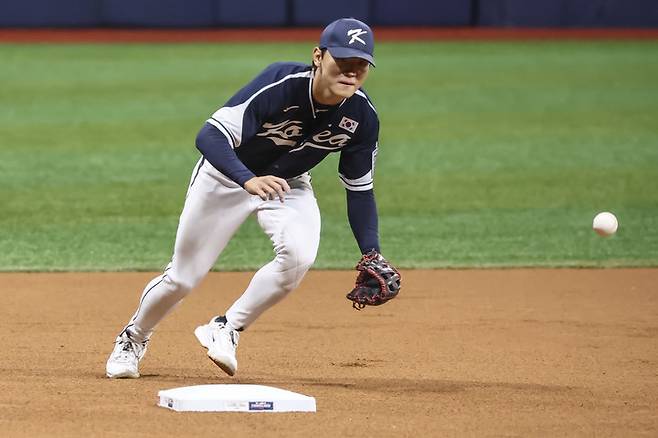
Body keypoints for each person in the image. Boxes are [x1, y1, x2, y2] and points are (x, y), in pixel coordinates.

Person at [106, 17, 393, 379]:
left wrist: (372, 252)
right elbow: (209, 136)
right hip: (226, 175)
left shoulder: (362, 118)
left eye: (361, 66)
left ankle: (226, 327)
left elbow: (359, 189)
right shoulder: (281, 83)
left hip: (287, 184)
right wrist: (247, 179)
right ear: (318, 56)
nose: (351, 73)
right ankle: (133, 337)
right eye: (343, 63)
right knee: (182, 278)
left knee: (299, 255)